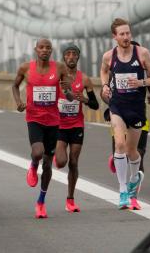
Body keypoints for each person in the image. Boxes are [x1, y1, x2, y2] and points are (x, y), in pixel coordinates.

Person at [100, 18, 150, 209]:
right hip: (117, 106)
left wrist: (141, 83)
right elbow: (103, 71)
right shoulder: (109, 56)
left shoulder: (142, 53)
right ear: (115, 36)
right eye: (122, 34)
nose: (126, 37)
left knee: (132, 151)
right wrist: (104, 86)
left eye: (128, 33)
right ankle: (123, 190)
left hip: (136, 108)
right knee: (119, 145)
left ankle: (134, 178)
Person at [12, 38, 72, 219]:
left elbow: (69, 97)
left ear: (51, 51)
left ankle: (41, 201)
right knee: (38, 153)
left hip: (53, 121)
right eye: (41, 47)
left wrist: (67, 90)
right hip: (34, 118)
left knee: (48, 163)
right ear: (36, 49)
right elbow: (14, 86)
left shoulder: (60, 68)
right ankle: (32, 165)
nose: (44, 50)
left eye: (48, 48)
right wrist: (19, 102)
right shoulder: (25, 68)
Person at [53, 43, 99, 212]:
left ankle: (70, 199)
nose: (71, 56)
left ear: (78, 57)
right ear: (63, 57)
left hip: (76, 125)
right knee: (61, 161)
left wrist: (84, 99)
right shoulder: (57, 78)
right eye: (68, 54)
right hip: (59, 125)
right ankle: (56, 156)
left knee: (73, 162)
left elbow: (95, 105)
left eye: (74, 54)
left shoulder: (84, 79)